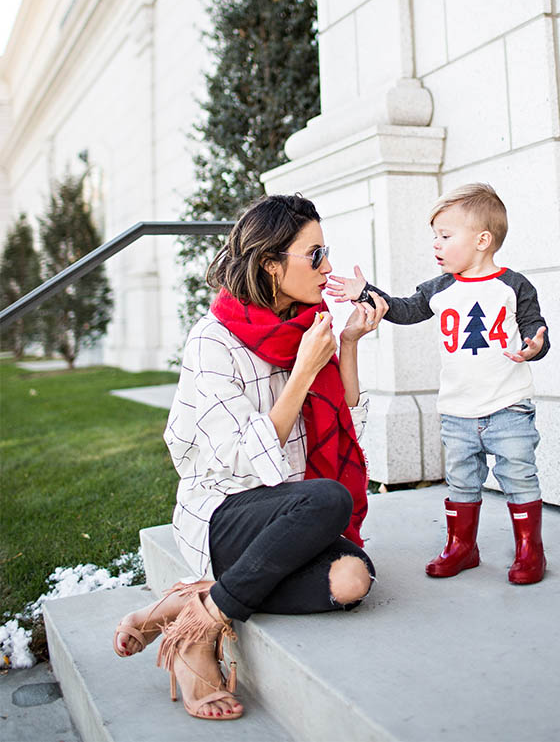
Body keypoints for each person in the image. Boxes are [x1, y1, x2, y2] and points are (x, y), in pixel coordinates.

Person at [113, 193, 388, 721]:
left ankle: (192, 606)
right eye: (315, 255)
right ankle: (200, 638)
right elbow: (243, 458)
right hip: (226, 509)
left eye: (325, 252)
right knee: (327, 499)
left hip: (288, 511)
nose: (327, 266)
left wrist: (347, 343)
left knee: (353, 581)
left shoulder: (308, 324)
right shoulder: (212, 341)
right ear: (269, 264)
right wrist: (305, 370)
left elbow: (345, 415)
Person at [327, 182, 549, 586]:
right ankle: (462, 546)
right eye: (435, 236)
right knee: (462, 479)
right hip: (458, 412)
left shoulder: (514, 286)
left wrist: (536, 344)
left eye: (445, 236)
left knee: (519, 475)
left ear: (482, 240)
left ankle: (529, 550)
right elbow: (406, 309)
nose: (436, 244)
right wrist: (367, 292)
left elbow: (535, 328)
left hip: (509, 407)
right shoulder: (441, 288)